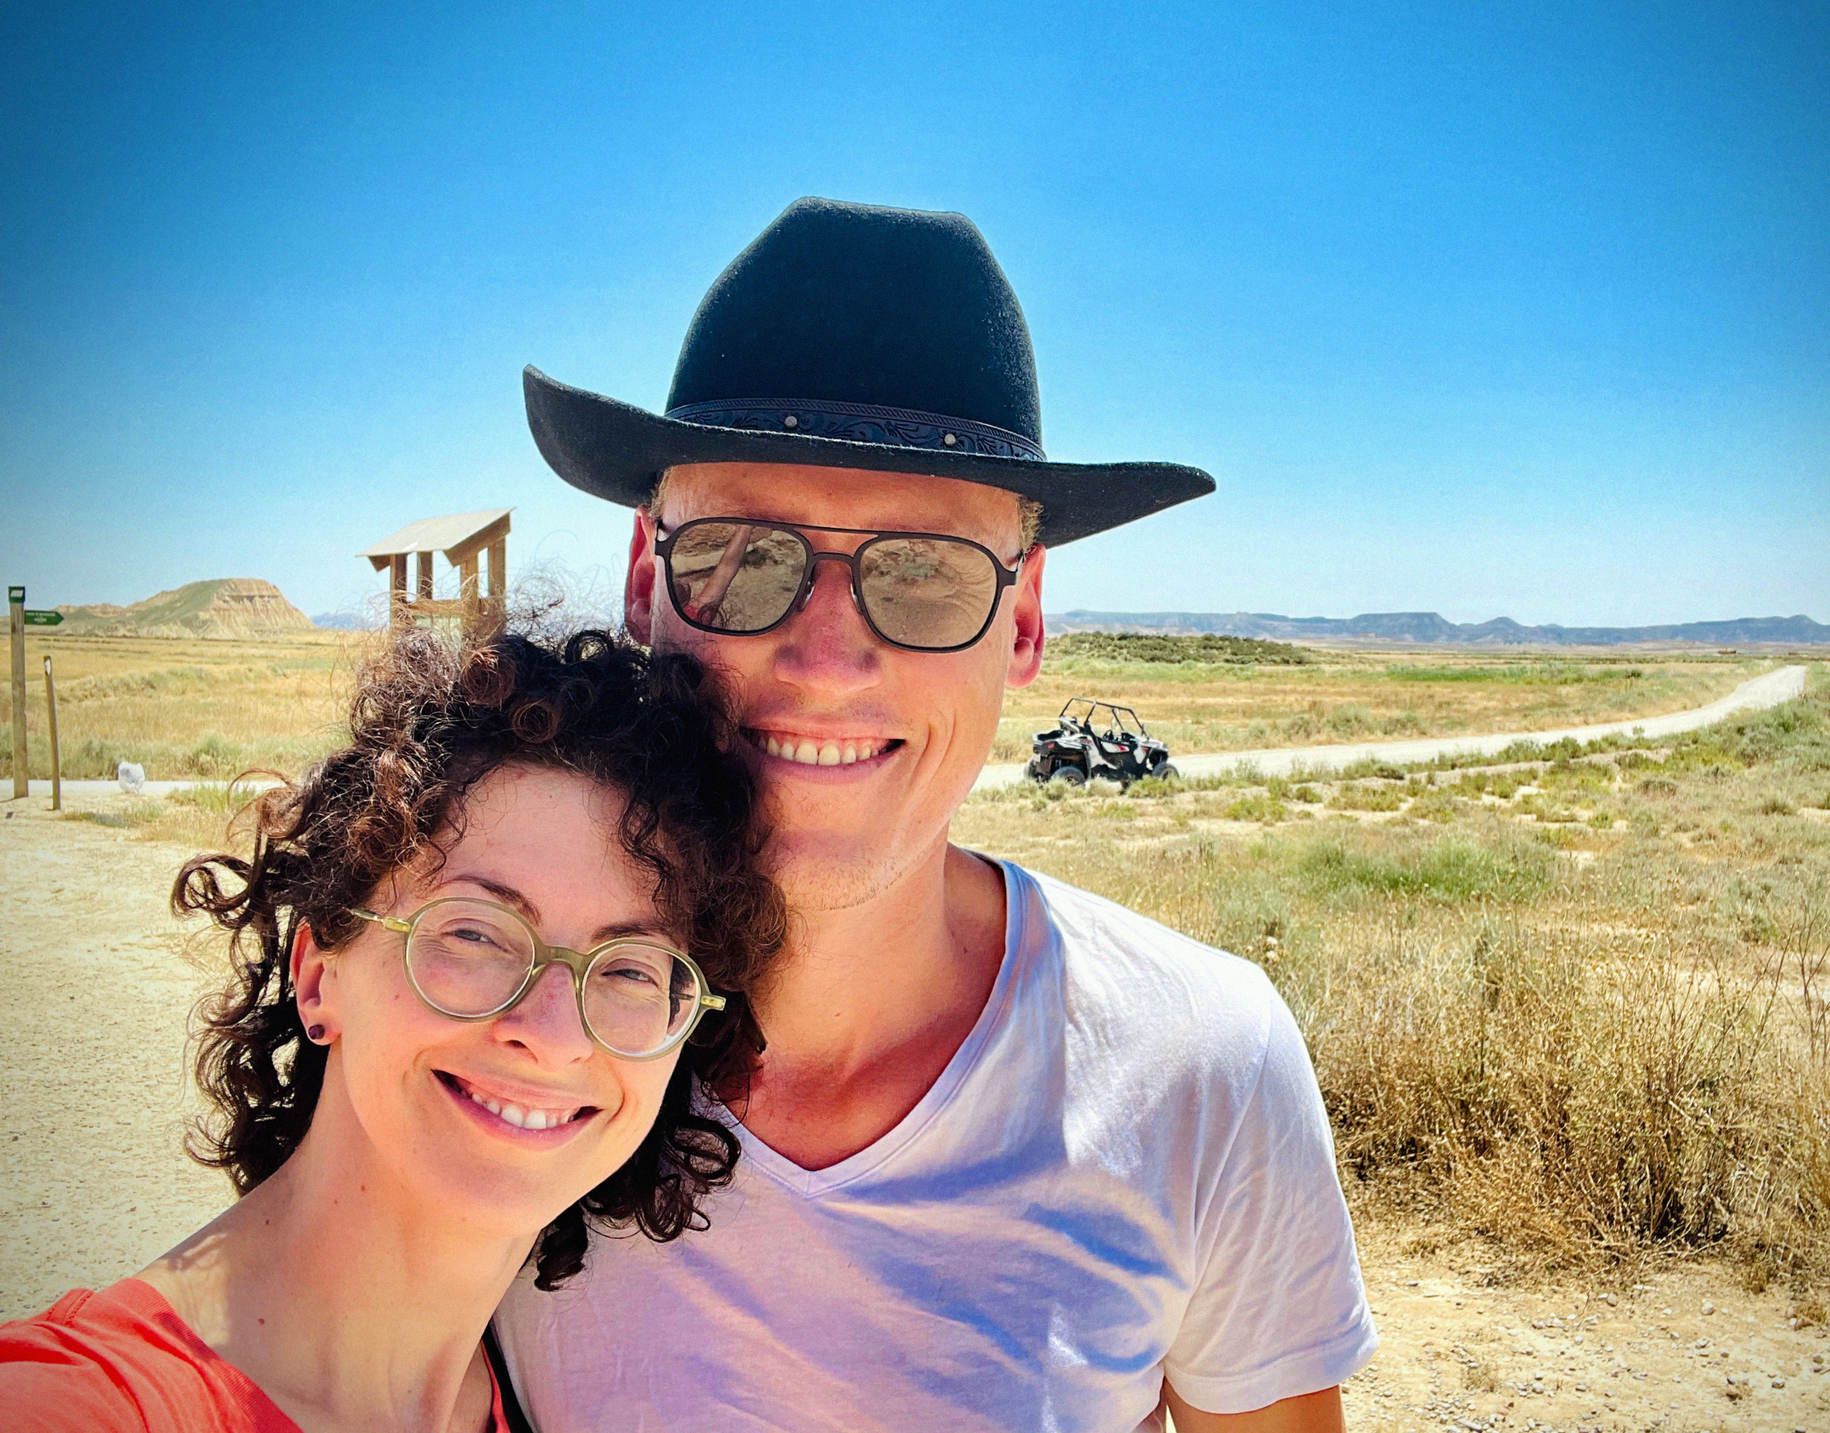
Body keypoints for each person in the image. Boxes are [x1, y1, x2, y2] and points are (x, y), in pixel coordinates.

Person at [498, 198, 1378, 1432]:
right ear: (649, 585)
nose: (825, 657)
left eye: (924, 571)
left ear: (1021, 624)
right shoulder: (501, 1039)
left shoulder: (1201, 1065)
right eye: (745, 554)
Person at [0, 630, 785, 1432]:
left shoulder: (529, 1394)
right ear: (318, 976)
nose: (554, 1034)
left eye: (629, 969)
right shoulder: (87, 1404)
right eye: (474, 933)